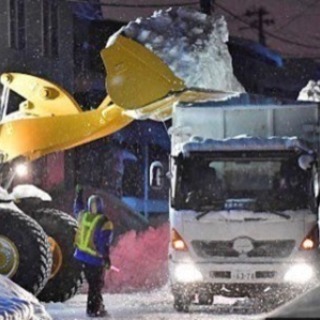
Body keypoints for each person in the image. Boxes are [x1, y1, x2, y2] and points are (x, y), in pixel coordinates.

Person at [73, 185, 114, 318]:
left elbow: (77, 208)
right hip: (95, 260)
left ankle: (97, 306)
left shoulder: (83, 215)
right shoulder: (104, 222)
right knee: (96, 285)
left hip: (80, 257)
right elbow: (104, 243)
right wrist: (106, 258)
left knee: (93, 284)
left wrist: (78, 195)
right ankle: (93, 310)